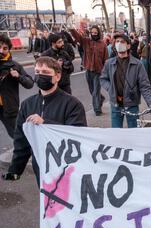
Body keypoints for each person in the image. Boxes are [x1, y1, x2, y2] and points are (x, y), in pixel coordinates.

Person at [1, 57, 87, 185]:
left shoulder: (72, 104)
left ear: (57, 76)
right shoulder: (27, 105)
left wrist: (45, 124)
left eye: (46, 72)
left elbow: (76, 136)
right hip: (40, 166)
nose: (40, 76)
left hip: (67, 167)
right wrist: (15, 170)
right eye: (37, 72)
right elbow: (21, 141)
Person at [100, 34, 151, 128]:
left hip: (132, 105)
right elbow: (103, 79)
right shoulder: (109, 63)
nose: (119, 44)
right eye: (117, 42)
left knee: (133, 133)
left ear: (128, 45)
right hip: (115, 105)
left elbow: (144, 86)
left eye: (122, 42)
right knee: (116, 133)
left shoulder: (137, 64)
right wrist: (110, 88)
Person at [0, 35, 34, 139]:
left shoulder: (15, 66)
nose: (1, 51)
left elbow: (30, 83)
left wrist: (18, 76)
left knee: (17, 136)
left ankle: (27, 152)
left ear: (9, 50)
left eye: (4, 48)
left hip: (8, 107)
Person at [70, 25, 108, 116]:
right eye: (92, 32)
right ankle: (101, 98)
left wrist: (105, 71)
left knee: (95, 91)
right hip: (88, 70)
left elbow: (106, 59)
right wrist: (72, 29)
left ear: (98, 33)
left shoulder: (103, 44)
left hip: (98, 71)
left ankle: (97, 110)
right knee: (92, 90)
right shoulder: (86, 42)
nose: (94, 34)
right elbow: (78, 37)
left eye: (96, 32)